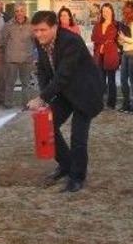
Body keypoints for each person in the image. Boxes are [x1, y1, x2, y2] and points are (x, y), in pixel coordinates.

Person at [27, 10, 104, 193]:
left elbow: (63, 75)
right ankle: (66, 165)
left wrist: (42, 98)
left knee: (78, 138)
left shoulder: (71, 41)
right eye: (35, 31)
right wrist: (44, 98)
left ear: (54, 27)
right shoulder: (41, 42)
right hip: (65, 92)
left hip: (85, 92)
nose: (38, 35)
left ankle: (77, 177)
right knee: (49, 127)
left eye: (43, 30)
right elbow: (44, 71)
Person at [1, 2, 35, 109]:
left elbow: (35, 41)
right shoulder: (8, 25)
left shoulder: (32, 25)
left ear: (25, 11)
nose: (19, 13)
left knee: (26, 84)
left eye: (22, 10)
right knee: (10, 83)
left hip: (26, 59)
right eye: (17, 11)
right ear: (14, 12)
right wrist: (10, 52)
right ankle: (8, 104)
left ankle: (26, 104)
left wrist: (29, 52)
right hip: (12, 59)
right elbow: (4, 41)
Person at [91, 3, 121, 110]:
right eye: (103, 11)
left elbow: (119, 40)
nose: (106, 13)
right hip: (99, 54)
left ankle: (111, 103)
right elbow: (94, 37)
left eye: (108, 11)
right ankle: (100, 102)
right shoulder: (98, 25)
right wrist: (106, 41)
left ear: (112, 12)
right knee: (100, 80)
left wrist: (109, 43)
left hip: (111, 54)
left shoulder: (117, 25)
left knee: (111, 80)